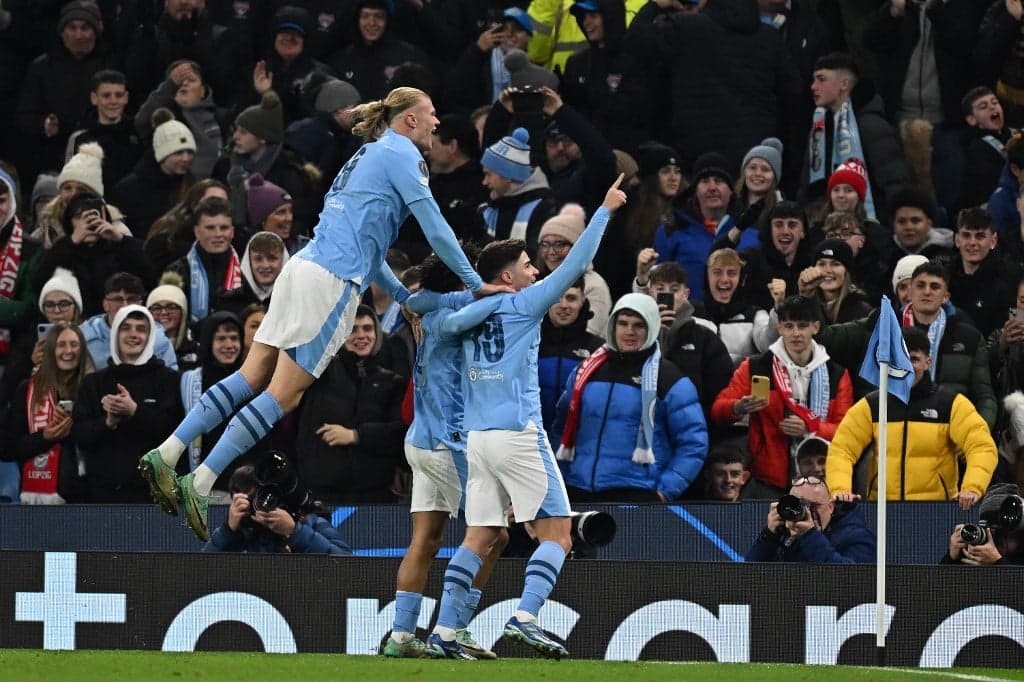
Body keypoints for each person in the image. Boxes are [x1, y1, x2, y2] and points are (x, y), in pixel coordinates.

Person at [140, 87, 504, 542]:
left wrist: (402, 296)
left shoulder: (366, 155)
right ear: (409, 120)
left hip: (303, 267)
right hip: (331, 283)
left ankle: (168, 452)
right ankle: (201, 482)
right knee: (284, 396)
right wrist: (475, 281)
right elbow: (436, 227)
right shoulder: (404, 157)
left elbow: (370, 250)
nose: (436, 124)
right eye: (430, 115)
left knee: (252, 375)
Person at [419, 174, 626, 660]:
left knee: (482, 534)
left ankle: (445, 631)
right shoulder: (521, 304)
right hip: (517, 433)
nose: (536, 271)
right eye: (529, 265)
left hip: (477, 439)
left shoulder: (467, 313)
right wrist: (605, 209)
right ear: (508, 277)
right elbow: (575, 264)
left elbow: (430, 313)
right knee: (557, 533)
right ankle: (526, 617)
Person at [385, 247, 507, 660]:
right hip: (447, 443)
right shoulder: (456, 322)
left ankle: (402, 636)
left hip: (419, 440)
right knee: (494, 534)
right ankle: (454, 628)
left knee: (427, 538)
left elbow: (411, 298)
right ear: (459, 283)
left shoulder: (427, 311)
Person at [552, 293, 708, 502]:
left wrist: (664, 491)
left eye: (638, 325)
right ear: (612, 326)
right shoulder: (585, 371)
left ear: (651, 327)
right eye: (623, 324)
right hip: (576, 488)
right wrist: (559, 476)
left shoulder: (670, 379)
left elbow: (693, 443)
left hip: (636, 492)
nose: (629, 332)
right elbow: (560, 428)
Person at [826, 326, 997, 507]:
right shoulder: (872, 405)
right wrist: (840, 488)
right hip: (882, 512)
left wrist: (972, 487)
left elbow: (982, 447)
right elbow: (841, 450)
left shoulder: (951, 404)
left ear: (927, 362)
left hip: (938, 511)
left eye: (914, 359)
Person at [712, 295, 854, 494]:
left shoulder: (836, 374)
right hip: (768, 479)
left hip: (821, 477)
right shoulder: (756, 367)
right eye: (789, 326)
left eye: (802, 326)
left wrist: (809, 428)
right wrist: (738, 407)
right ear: (779, 328)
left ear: (815, 327)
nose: (796, 333)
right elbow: (718, 410)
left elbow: (845, 431)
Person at [293, 305, 408, 504]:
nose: (362, 336)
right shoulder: (319, 376)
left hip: (375, 494)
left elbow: (400, 431)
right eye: (353, 329)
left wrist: (356, 436)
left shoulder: (392, 382)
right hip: (323, 492)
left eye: (368, 328)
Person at [73, 305, 183, 503]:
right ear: (115, 333)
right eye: (126, 328)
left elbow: (174, 434)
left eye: (141, 329)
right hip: (101, 494)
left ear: (150, 336)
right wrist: (107, 422)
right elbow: (79, 435)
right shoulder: (94, 382)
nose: (133, 335)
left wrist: (135, 411)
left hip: (152, 495)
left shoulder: (169, 380)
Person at [3, 322, 92, 504]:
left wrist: (73, 429)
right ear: (50, 350)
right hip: (38, 496)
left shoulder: (94, 388)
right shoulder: (27, 390)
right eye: (61, 345)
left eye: (74, 344)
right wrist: (45, 437)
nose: (68, 351)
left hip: (87, 493)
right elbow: (8, 447)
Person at [31, 191, 154, 318]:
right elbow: (38, 282)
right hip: (72, 325)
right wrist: (71, 242)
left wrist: (121, 240)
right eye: (79, 217)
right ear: (70, 222)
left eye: (94, 215)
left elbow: (149, 279)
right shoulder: (61, 251)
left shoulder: (120, 249)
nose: (89, 222)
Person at [202, 464, 352, 555]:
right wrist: (227, 530)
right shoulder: (237, 535)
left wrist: (294, 532)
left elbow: (347, 563)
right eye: (246, 500)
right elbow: (197, 571)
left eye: (258, 497)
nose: (256, 506)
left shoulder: (309, 522)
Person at [743, 475, 875, 563]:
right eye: (800, 506)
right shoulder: (784, 534)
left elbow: (853, 579)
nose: (808, 512)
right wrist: (768, 536)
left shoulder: (856, 536)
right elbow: (747, 578)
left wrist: (810, 535)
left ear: (830, 507)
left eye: (814, 506)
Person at [539, 278, 605, 442]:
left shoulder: (598, 349)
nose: (563, 305)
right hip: (533, 445)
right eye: (557, 298)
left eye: (571, 298)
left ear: (583, 300)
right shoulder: (530, 344)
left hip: (578, 446)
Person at [164, 196, 242, 323]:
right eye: (210, 228)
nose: (218, 234)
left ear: (232, 232)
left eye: (224, 228)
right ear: (197, 232)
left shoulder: (245, 271)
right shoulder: (177, 272)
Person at [536, 203, 611, 335]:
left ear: (577, 246)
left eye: (559, 244)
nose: (551, 252)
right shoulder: (541, 282)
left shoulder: (594, 285)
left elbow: (590, 334)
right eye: (545, 244)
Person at [945, 207, 1020, 338]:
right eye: (966, 235)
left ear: (993, 240)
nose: (972, 243)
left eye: (980, 236)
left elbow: (1017, 328)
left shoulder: (1012, 278)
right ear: (957, 240)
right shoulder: (944, 277)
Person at [80, 273, 179, 371]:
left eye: (132, 299)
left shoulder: (159, 341)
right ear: (105, 304)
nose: (125, 305)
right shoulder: (84, 337)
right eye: (117, 299)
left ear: (141, 304)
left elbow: (171, 382)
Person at [958, 87, 1016, 211]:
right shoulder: (977, 148)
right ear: (972, 120)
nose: (992, 107)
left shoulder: (1014, 134)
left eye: (995, 102)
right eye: (983, 107)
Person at [942, 484, 1024, 565]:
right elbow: (938, 578)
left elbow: (1017, 578)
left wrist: (997, 561)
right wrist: (951, 558)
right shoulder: (976, 549)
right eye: (990, 530)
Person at [796, 238, 872, 324]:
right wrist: (804, 298)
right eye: (822, 264)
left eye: (835, 264)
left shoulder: (861, 310)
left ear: (846, 271)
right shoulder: (807, 299)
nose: (828, 270)